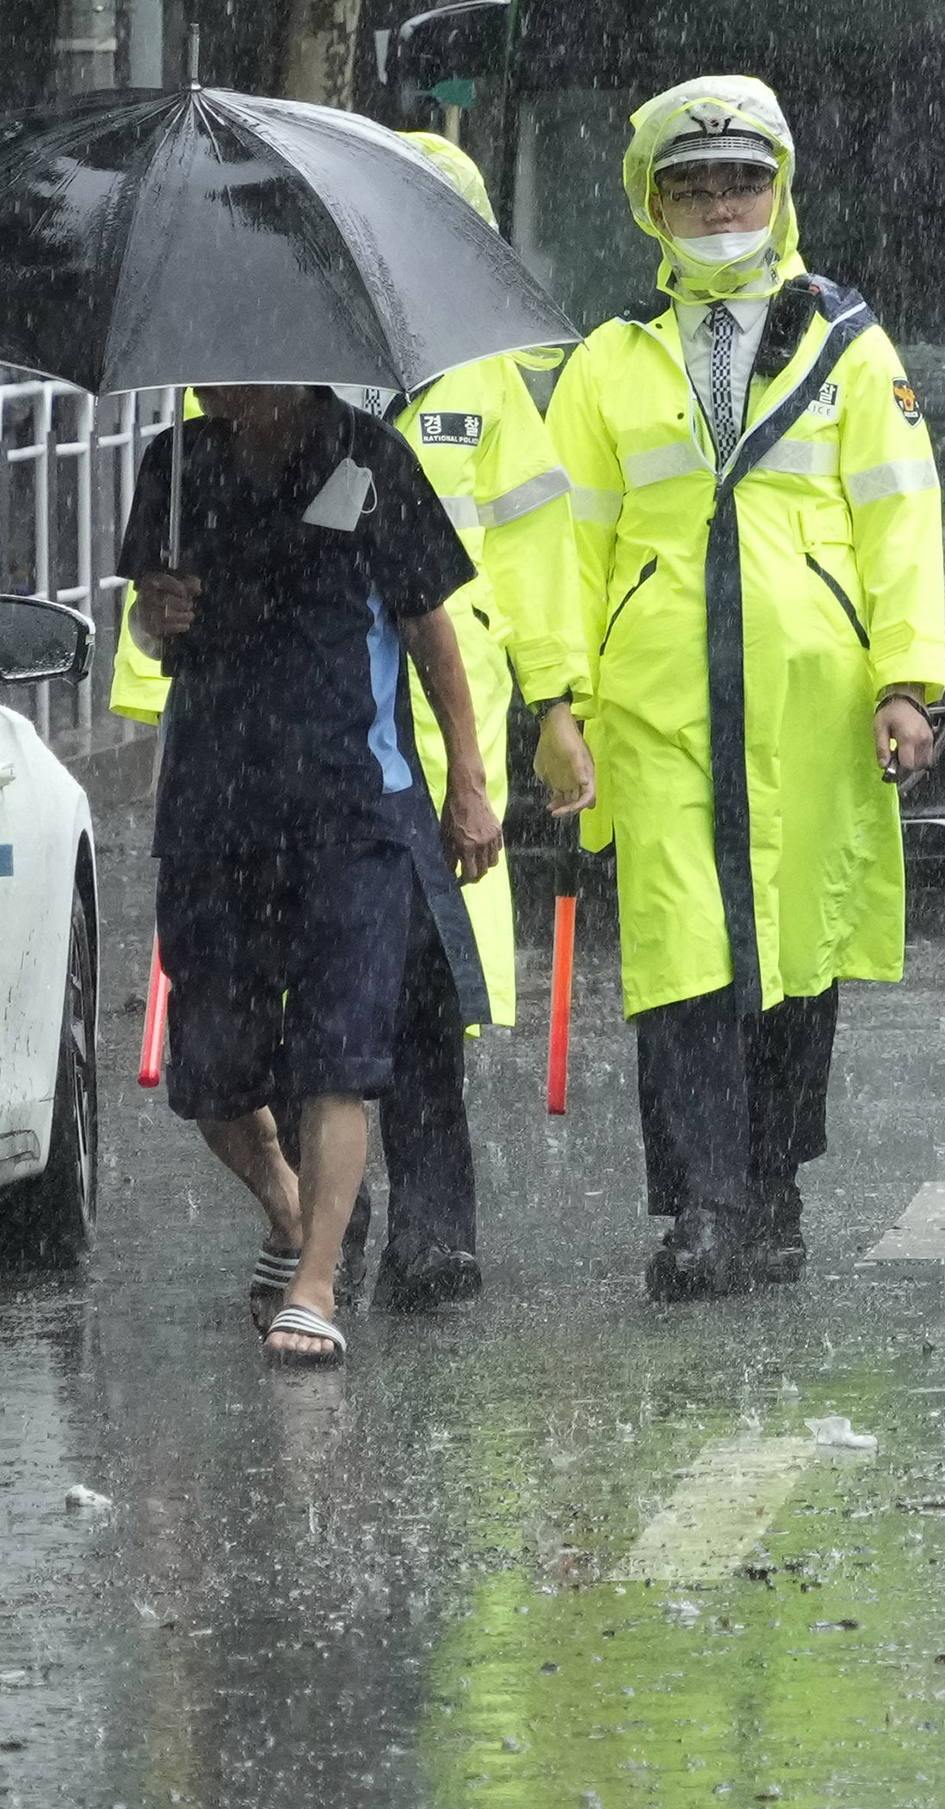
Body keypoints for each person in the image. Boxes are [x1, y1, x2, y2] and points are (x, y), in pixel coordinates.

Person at [517, 78, 945, 1304]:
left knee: (794, 957)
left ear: (783, 186)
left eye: (743, 179)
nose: (721, 204)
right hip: (657, 708)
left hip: (810, 710)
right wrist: (556, 701)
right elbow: (564, 543)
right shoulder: (606, 364)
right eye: (693, 183)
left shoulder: (848, 344)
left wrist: (911, 680)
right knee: (683, 955)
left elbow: (900, 512)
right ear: (649, 202)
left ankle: (774, 1182)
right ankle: (705, 1204)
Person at [120, 379, 502, 1364]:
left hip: (349, 808)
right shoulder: (175, 466)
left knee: (338, 1060)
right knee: (213, 1073)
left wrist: (467, 781)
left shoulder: (371, 459)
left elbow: (431, 629)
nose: (213, 381)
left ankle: (319, 1286)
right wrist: (154, 614)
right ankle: (291, 1217)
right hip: (212, 810)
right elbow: (149, 630)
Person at [365, 126, 564, 1312]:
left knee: (422, 994)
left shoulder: (489, 389)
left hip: (441, 736)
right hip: (315, 731)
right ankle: (316, 1230)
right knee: (316, 999)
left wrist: (554, 702)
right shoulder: (280, 360)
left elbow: (534, 554)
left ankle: (433, 1232)